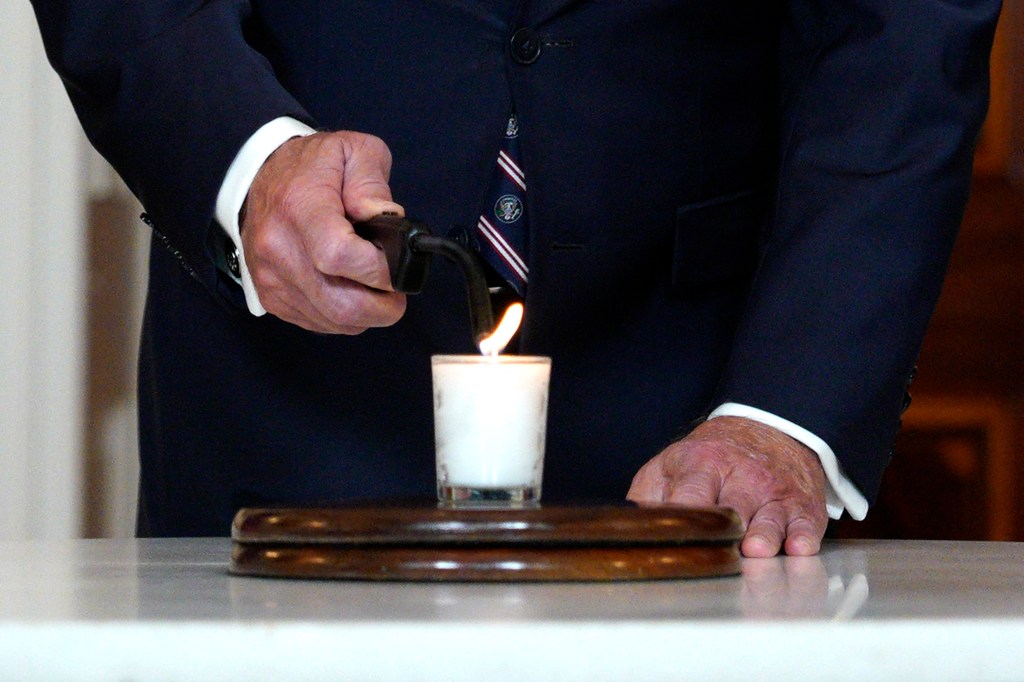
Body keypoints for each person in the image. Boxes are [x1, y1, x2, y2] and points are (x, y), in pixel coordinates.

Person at [30, 1, 999, 555]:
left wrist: (789, 411)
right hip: (286, 402)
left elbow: (900, 34)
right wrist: (244, 158)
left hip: (703, 421)